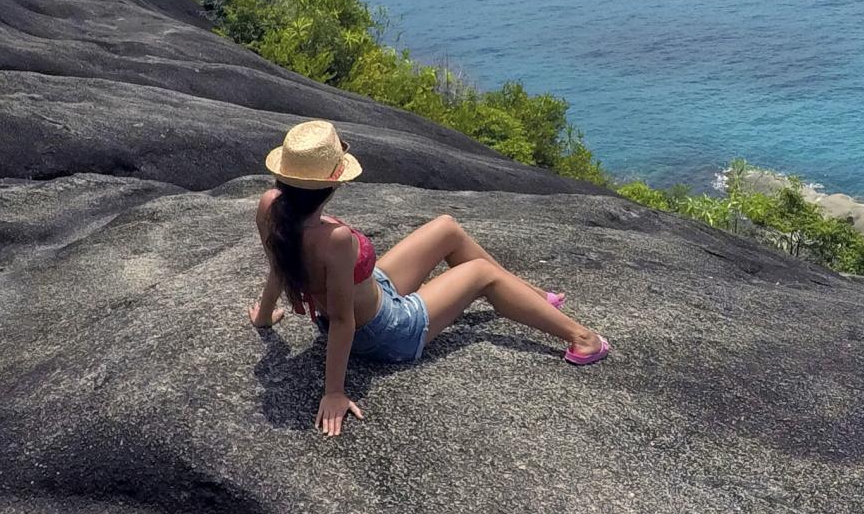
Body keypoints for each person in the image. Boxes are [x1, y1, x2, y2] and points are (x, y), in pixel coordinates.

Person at [248, 119, 610, 435]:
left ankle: (527, 294)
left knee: (447, 228)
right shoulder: (335, 241)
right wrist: (334, 392)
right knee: (482, 273)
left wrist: (265, 317)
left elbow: (279, 265)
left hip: (376, 292)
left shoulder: (270, 206)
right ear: (334, 182)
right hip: (387, 331)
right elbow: (343, 320)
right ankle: (582, 339)